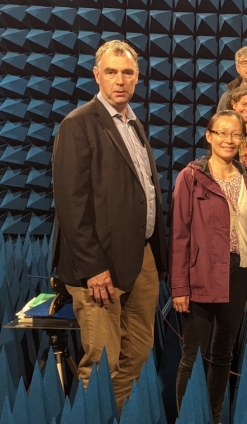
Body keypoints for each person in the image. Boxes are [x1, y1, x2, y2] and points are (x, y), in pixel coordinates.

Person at [51, 40, 168, 410]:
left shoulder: (133, 122)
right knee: (101, 364)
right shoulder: (79, 124)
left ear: (138, 77)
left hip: (141, 258)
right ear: (97, 75)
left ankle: (124, 417)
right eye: (112, 72)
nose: (121, 80)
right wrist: (93, 268)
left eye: (128, 72)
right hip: (100, 266)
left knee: (137, 357)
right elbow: (72, 205)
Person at [170, 110, 247, 423]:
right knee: (192, 356)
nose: (228, 139)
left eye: (235, 134)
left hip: (238, 272)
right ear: (209, 136)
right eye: (221, 133)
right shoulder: (191, 176)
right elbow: (179, 234)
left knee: (224, 353)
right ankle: (187, 416)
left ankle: (213, 415)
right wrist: (180, 286)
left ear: (243, 138)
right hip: (202, 274)